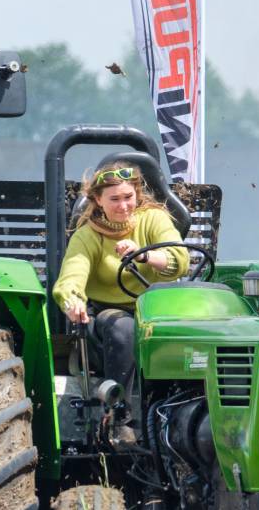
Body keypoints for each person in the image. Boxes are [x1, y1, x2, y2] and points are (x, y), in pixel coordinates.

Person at [51, 161, 189, 430]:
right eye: (114, 199)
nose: (123, 206)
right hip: (107, 319)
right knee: (123, 327)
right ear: (98, 200)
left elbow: (180, 260)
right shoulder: (87, 236)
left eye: (128, 197)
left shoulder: (154, 219)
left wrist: (144, 255)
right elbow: (70, 279)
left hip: (157, 311)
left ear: (137, 194)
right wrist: (73, 302)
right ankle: (117, 418)